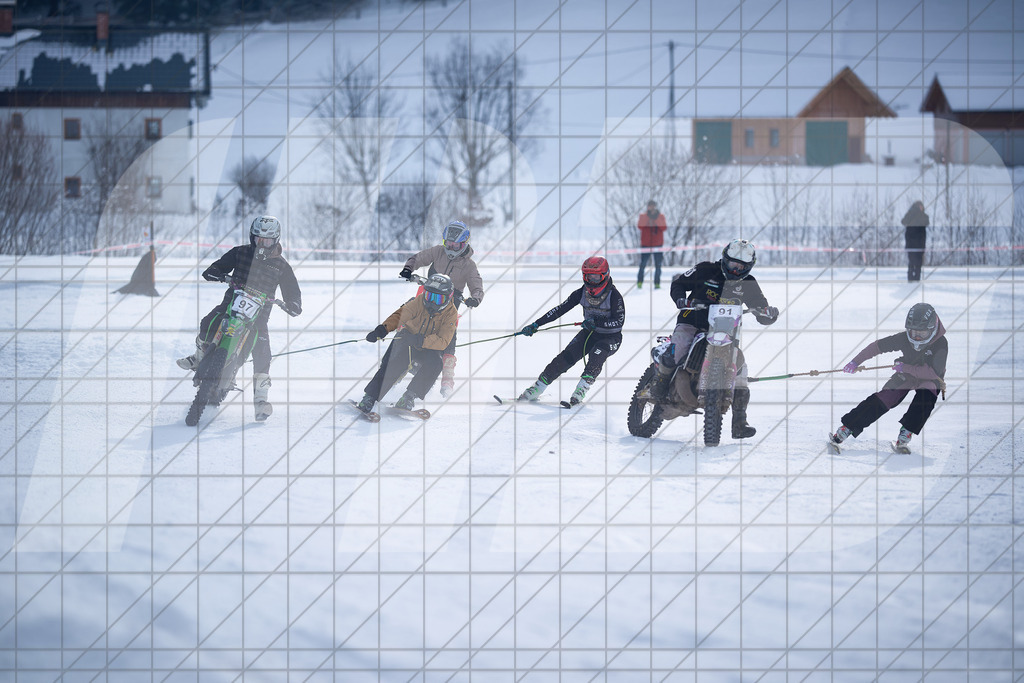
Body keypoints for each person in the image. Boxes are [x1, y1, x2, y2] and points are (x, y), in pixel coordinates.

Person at [176, 215, 302, 421]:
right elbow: (217, 267)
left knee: (263, 353)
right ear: (252, 237)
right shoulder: (240, 252)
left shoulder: (281, 266)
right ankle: (198, 358)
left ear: (276, 240)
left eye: (267, 241)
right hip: (230, 306)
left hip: (259, 317)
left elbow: (292, 291)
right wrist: (215, 272)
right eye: (258, 239)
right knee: (207, 323)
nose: (262, 244)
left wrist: (293, 304)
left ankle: (261, 401)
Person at [650, 239, 779, 439]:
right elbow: (678, 284)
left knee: (741, 371)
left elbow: (760, 307)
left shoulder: (749, 283)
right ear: (724, 259)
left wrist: (768, 313)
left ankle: (739, 423)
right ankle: (658, 385)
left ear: (749, 266)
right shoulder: (705, 269)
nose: (736, 269)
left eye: (742, 266)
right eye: (733, 263)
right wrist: (681, 300)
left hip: (726, 333)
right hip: (692, 321)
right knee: (680, 349)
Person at [828, 303, 947, 454]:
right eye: (913, 332)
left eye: (921, 333)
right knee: (886, 397)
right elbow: (877, 347)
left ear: (932, 328)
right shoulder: (904, 338)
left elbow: (933, 373)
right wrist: (855, 362)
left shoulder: (941, 343)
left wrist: (906, 367)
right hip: (907, 375)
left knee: (926, 394)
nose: (916, 336)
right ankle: (846, 429)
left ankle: (906, 432)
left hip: (929, 378)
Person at [517, 256, 625, 406]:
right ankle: (537, 388)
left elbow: (619, 322)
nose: (591, 282)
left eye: (595, 277)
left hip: (611, 338)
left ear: (605, 276)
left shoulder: (615, 296)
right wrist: (536, 324)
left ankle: (582, 389)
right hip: (590, 334)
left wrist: (597, 322)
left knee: (597, 353)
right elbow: (559, 310)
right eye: (588, 277)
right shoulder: (581, 293)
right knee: (566, 357)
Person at [399, 219, 485, 398]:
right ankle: (398, 361)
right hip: (426, 295)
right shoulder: (438, 252)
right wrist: (408, 268)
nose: (451, 248)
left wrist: (475, 298)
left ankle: (447, 380)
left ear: (464, 244)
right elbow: (419, 258)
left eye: (456, 245)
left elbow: (477, 284)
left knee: (449, 337)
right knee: (408, 316)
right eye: (449, 243)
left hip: (452, 303)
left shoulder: (469, 265)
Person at [355, 273, 459, 414]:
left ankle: (409, 397)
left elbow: (443, 341)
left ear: (448, 297)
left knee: (436, 363)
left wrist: (421, 340)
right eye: (429, 296)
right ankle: (370, 397)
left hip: (428, 346)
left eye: (438, 298)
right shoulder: (419, 301)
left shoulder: (451, 313)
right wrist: (383, 329)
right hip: (408, 339)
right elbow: (401, 315)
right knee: (396, 362)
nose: (432, 302)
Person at [637, 200, 667, 289]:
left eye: (653, 206)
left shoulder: (660, 216)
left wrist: (656, 218)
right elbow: (640, 226)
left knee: (658, 265)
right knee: (643, 264)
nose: (652, 208)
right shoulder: (643, 216)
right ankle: (639, 282)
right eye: (650, 206)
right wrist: (648, 217)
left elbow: (664, 227)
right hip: (646, 244)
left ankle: (657, 283)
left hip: (658, 245)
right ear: (647, 207)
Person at [902, 200, 929, 282]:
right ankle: (911, 279)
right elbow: (903, 221)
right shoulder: (910, 214)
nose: (921, 208)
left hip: (920, 244)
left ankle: (916, 279)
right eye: (920, 206)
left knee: (918, 263)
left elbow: (927, 222)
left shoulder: (923, 216)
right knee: (912, 262)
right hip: (911, 243)